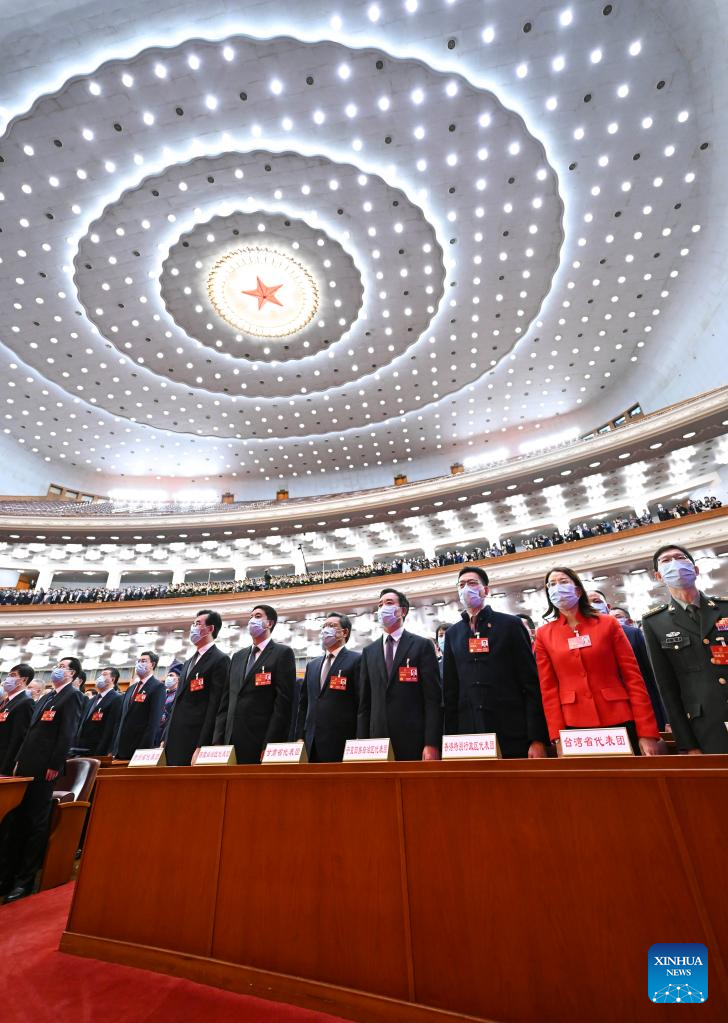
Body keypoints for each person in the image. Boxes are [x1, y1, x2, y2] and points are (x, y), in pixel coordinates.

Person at [534, 568, 661, 756]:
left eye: (563, 582)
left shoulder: (608, 624)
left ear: (578, 590)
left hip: (618, 716)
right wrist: (557, 736)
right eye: (551, 584)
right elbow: (548, 689)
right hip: (573, 723)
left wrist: (647, 732)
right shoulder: (544, 634)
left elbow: (633, 678)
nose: (557, 587)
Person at [0, 657, 84, 902]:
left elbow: (67, 732)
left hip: (45, 768)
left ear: (72, 673)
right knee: (17, 820)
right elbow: (29, 735)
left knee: (35, 823)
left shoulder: (72, 696)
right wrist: (18, 761)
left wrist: (55, 764)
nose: (57, 669)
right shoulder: (48, 697)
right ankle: (6, 878)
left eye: (63, 667)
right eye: (57, 665)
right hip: (26, 766)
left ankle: (25, 882)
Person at [443, 568, 549, 758]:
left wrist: (537, 738)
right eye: (461, 585)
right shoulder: (453, 634)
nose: (466, 588)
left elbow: (530, 683)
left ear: (486, 590)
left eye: (472, 583)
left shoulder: (510, 625)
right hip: (469, 734)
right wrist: (450, 740)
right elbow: (451, 690)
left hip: (512, 730)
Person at [642, 544, 728, 754]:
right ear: (659, 576)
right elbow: (667, 687)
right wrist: (688, 744)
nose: (675, 564)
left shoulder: (725, 608)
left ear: (695, 570)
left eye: (680, 558)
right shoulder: (655, 622)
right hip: (706, 724)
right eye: (666, 561)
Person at [357, 588, 443, 761]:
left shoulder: (421, 646)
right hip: (377, 741)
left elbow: (432, 699)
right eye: (380, 605)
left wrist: (431, 742)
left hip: (413, 738)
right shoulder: (368, 652)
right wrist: (361, 742)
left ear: (402, 611)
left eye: (389, 603)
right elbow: (364, 704)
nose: (383, 608)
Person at [213, 604, 295, 764]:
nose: (252, 620)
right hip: (230, 740)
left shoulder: (282, 653)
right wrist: (218, 739)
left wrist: (271, 743)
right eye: (251, 617)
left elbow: (283, 704)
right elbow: (226, 701)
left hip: (260, 740)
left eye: (257, 616)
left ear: (269, 623)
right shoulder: (237, 656)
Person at [587, 589, 667, 730]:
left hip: (642, 705)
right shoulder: (581, 638)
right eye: (587, 603)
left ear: (607, 606)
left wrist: (665, 716)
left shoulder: (632, 633)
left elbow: (653, 676)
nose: (592, 606)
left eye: (597, 601)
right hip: (610, 712)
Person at [163, 610, 229, 766]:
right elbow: (177, 703)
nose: (193, 627)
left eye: (198, 624)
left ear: (210, 628)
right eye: (193, 624)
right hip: (175, 737)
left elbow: (215, 705)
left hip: (196, 738)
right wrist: (165, 738)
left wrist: (203, 744)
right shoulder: (188, 663)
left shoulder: (220, 659)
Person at [295, 612, 361, 762]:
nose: (326, 629)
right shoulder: (312, 665)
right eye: (324, 626)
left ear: (344, 632)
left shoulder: (356, 660)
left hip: (342, 740)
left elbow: (361, 702)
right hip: (311, 742)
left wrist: (360, 736)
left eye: (332, 626)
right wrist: (299, 736)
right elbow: (304, 704)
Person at [112, 651, 165, 760]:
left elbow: (154, 721)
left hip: (139, 747)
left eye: (143, 661)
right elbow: (121, 718)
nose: (139, 664)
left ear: (152, 665)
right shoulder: (131, 688)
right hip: (120, 748)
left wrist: (143, 750)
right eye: (138, 661)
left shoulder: (157, 687)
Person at [70, 666, 123, 756]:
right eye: (100, 675)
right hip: (81, 747)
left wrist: (109, 749)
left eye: (104, 675)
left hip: (99, 748)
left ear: (112, 679)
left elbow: (112, 727)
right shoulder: (92, 700)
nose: (100, 677)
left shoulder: (117, 698)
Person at [0, 664, 34, 776]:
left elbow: (18, 738)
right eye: (8, 675)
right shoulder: (6, 701)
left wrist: (6, 768)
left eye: (13, 675)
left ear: (23, 680)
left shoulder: (25, 702)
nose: (8, 679)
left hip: (4, 762)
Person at [155, 664, 181, 747]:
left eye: (171, 675)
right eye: (167, 676)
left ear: (178, 679)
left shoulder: (178, 695)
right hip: (156, 732)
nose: (168, 678)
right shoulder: (162, 693)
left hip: (167, 733)